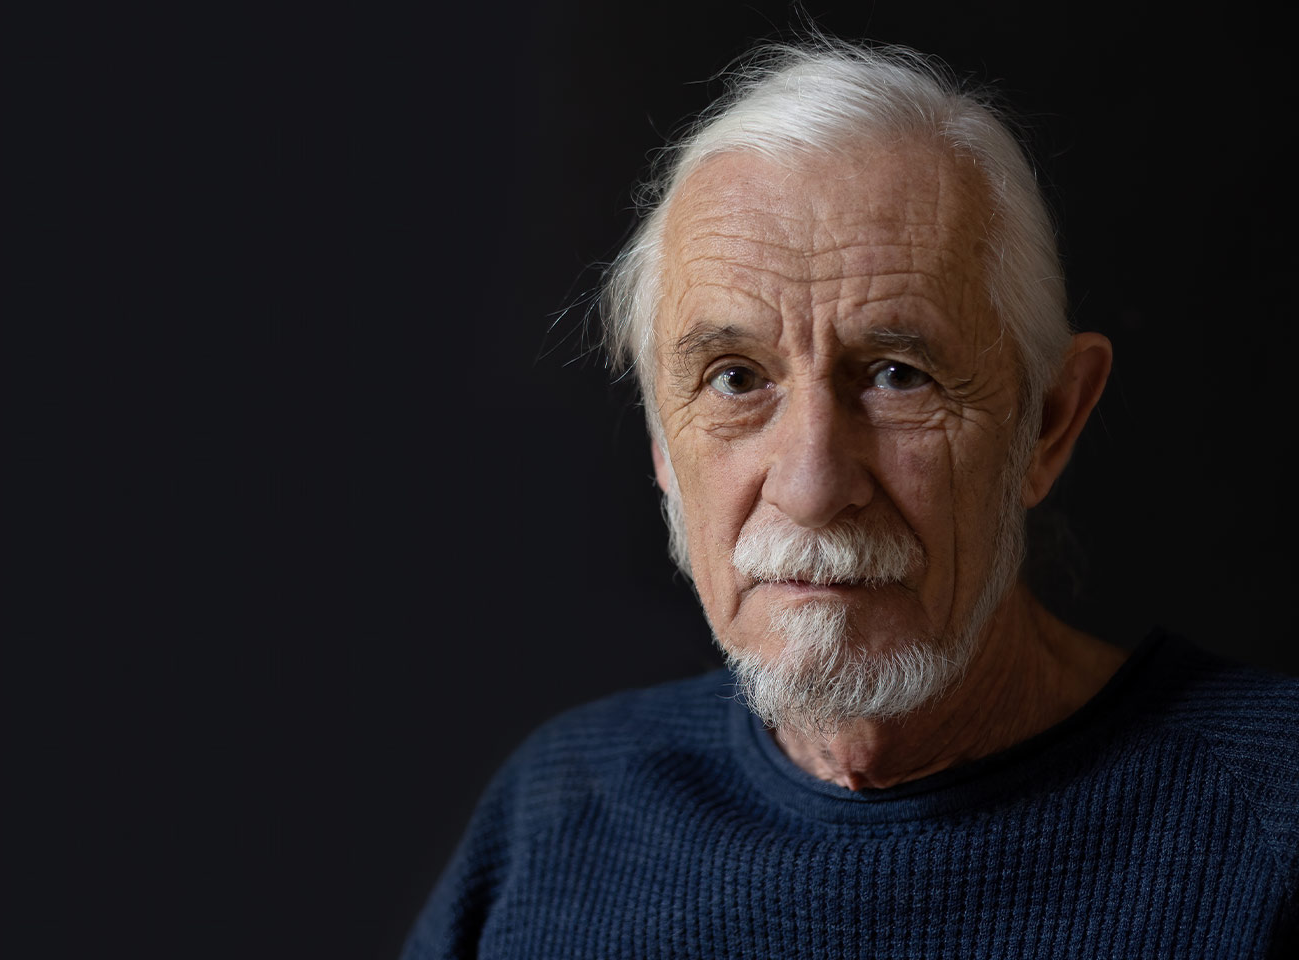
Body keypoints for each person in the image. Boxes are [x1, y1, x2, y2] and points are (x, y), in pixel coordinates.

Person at [403, 37, 1298, 958]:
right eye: (734, 379)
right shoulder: (558, 809)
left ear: (1050, 424)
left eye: (898, 375)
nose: (812, 486)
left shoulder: (1275, 816)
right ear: (662, 443)